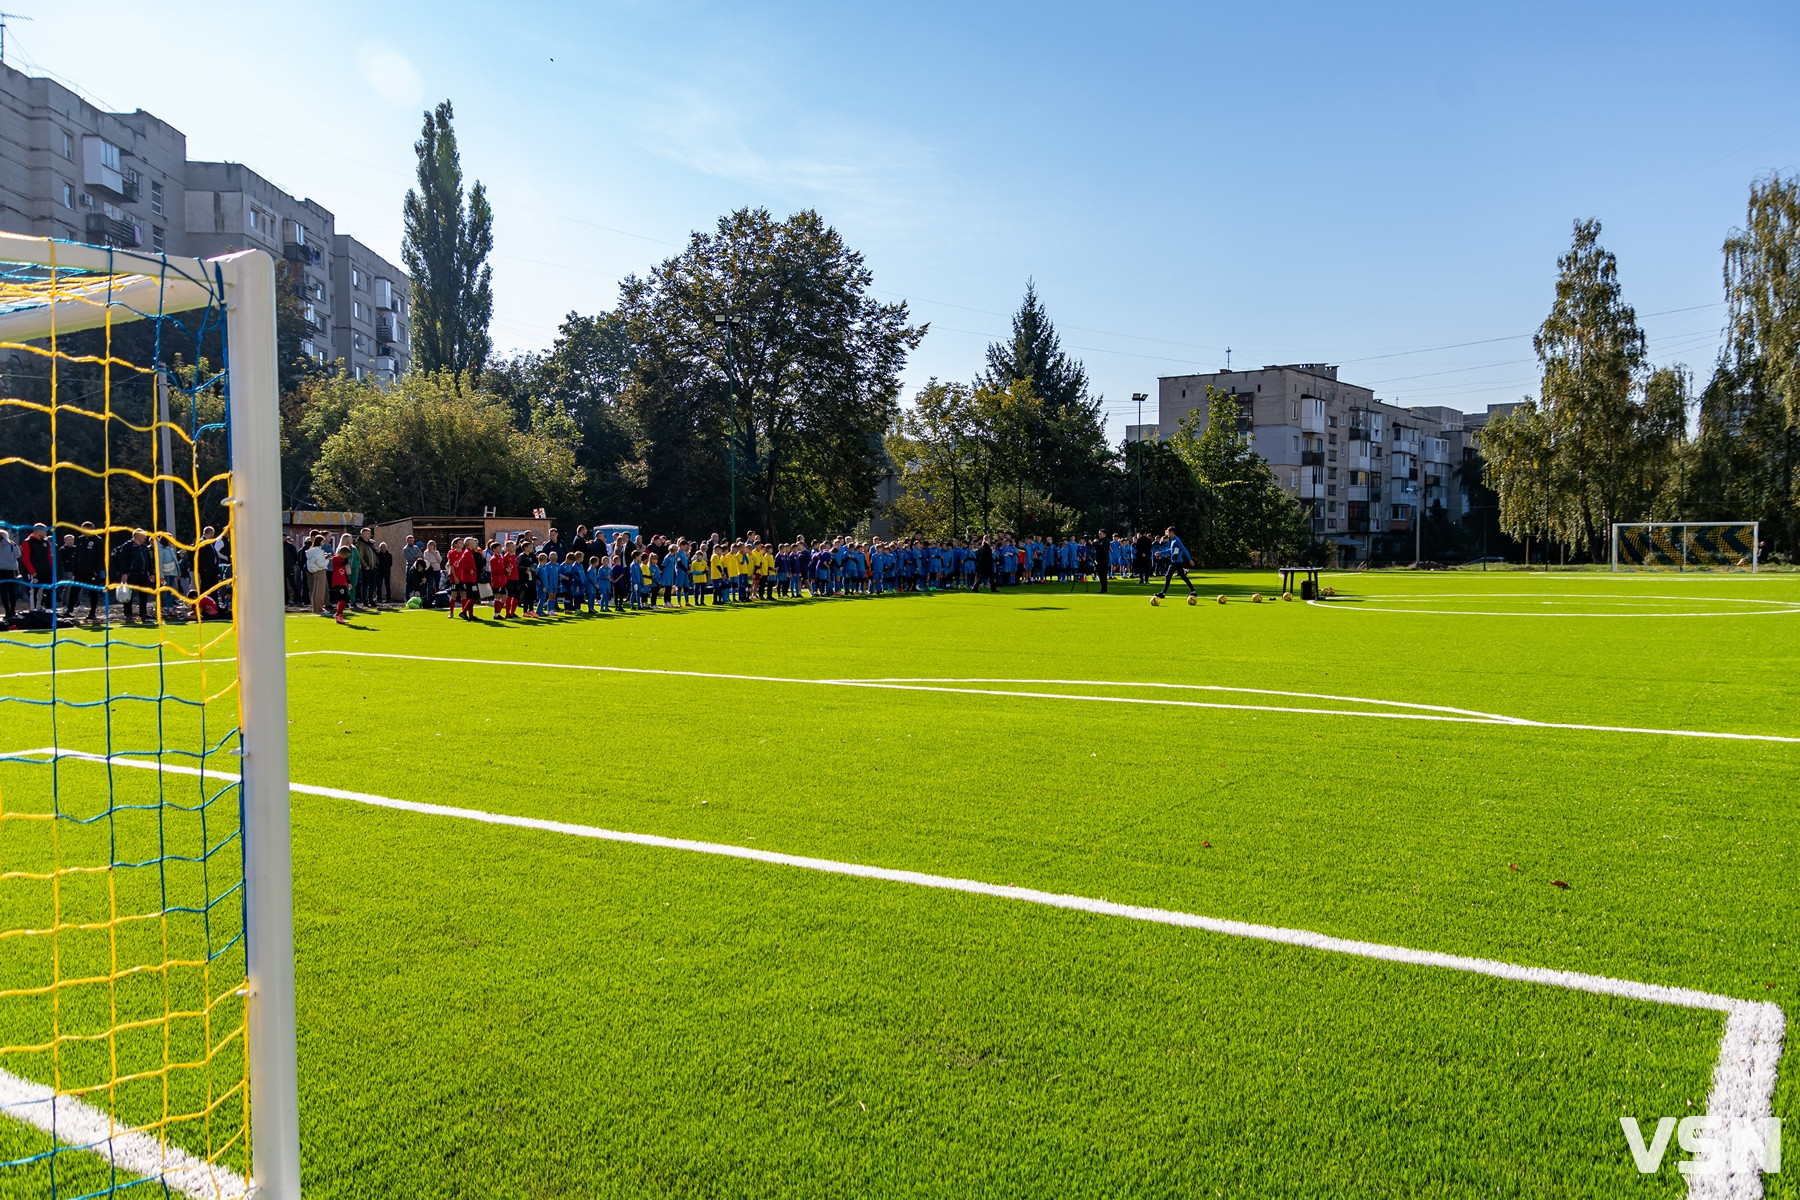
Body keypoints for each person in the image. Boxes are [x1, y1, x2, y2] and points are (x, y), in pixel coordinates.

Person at [111, 529, 155, 623]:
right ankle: (128, 614)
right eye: (143, 535)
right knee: (128, 595)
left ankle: (143, 614)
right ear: (137, 536)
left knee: (144, 595)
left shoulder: (144, 547)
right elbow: (122, 560)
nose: (145, 537)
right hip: (131, 574)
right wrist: (124, 573)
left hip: (143, 574)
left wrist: (151, 573)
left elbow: (148, 560)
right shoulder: (128, 546)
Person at [1154, 526, 1196, 600]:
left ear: (1172, 532)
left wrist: (1190, 559)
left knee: (1168, 576)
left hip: (1176, 562)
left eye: (1168, 532)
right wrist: (1161, 553)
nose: (1167, 533)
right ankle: (1193, 591)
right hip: (1176, 562)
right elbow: (1171, 550)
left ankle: (1163, 593)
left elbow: (1184, 549)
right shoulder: (1172, 540)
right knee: (1183, 577)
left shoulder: (1176, 540)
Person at [328, 539, 352, 624]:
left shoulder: (343, 560)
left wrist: (348, 582)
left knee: (345, 599)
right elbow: (343, 563)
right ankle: (338, 615)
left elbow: (345, 572)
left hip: (342, 583)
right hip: (337, 583)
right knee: (343, 598)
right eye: (347, 555)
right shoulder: (335, 559)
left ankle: (339, 614)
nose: (347, 558)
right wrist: (347, 559)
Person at [306, 535, 331, 614]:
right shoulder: (319, 551)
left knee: (315, 590)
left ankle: (315, 607)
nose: (324, 543)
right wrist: (327, 559)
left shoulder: (311, 551)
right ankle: (319, 608)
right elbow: (321, 564)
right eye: (323, 541)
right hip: (320, 571)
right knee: (320, 591)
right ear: (320, 542)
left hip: (314, 571)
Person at [0, 528, 19, 622]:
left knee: (3, 593)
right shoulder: (11, 545)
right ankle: (13, 611)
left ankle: (7, 611)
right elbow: (18, 555)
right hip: (11, 570)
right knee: (12, 592)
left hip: (0, 571)